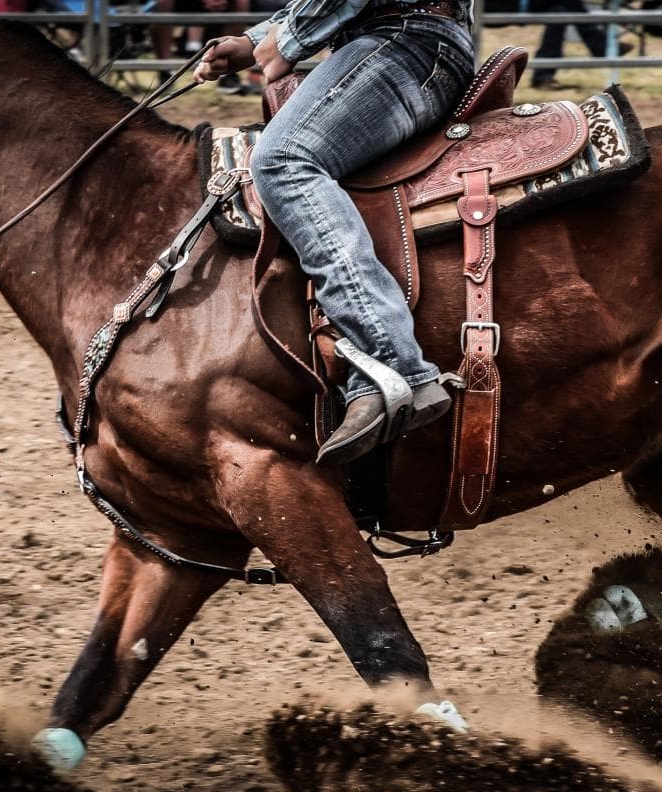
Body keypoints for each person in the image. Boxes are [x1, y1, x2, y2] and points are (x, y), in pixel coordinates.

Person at [196, 0, 474, 465]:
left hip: (405, 42)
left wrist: (289, 39)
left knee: (283, 159)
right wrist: (255, 38)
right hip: (408, 39)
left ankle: (390, 358)